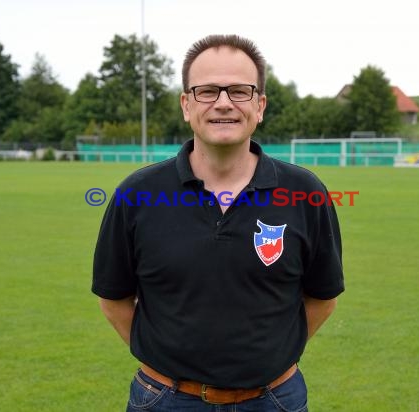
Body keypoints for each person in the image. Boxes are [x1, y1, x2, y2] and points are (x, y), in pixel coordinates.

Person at [92, 34, 344, 411]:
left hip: (274, 399)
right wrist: (170, 368)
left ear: (259, 105)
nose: (224, 103)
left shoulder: (305, 192)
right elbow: (113, 299)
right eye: (207, 91)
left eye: (240, 91)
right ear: (186, 105)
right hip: (164, 400)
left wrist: (268, 358)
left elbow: (322, 298)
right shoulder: (136, 193)